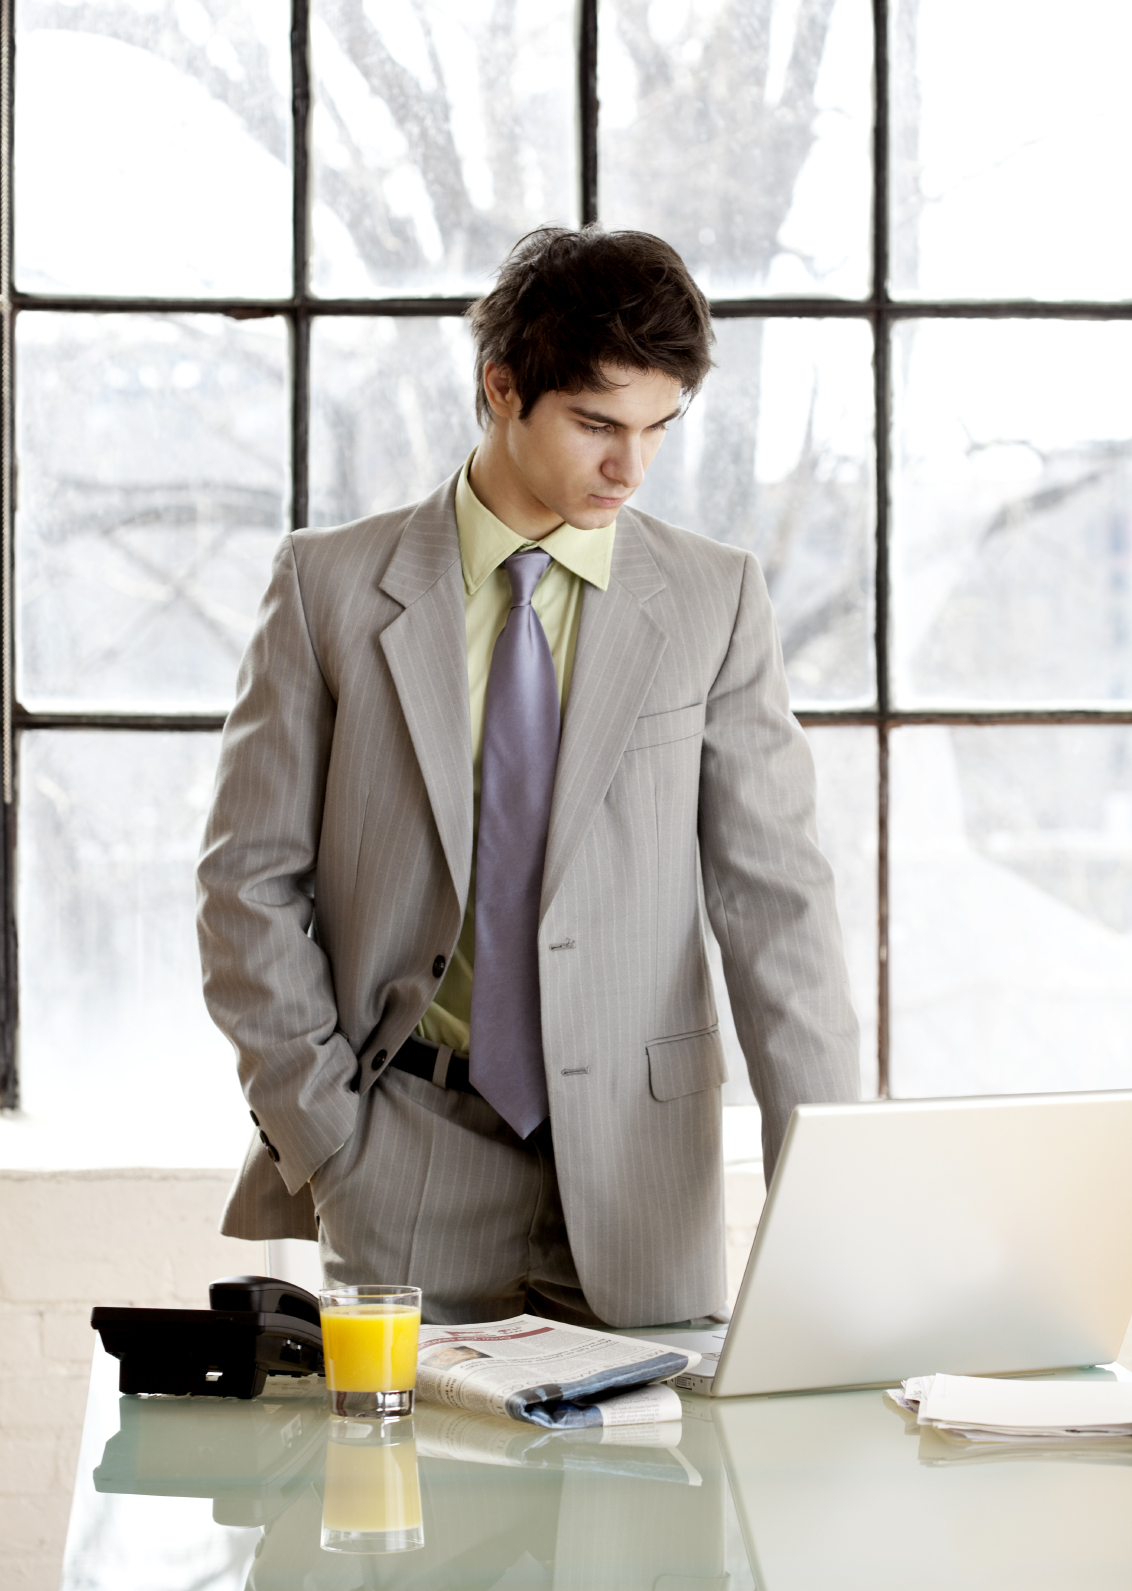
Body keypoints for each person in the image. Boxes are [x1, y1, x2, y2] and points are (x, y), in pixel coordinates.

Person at [196, 225, 858, 1328]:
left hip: (644, 1175)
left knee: (656, 1453)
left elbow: (777, 904)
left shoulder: (716, 600)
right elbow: (247, 885)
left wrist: (834, 1195)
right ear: (501, 387)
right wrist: (325, 1134)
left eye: (657, 427)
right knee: (402, 1452)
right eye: (597, 423)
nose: (630, 467)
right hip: (403, 1160)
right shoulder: (329, 587)